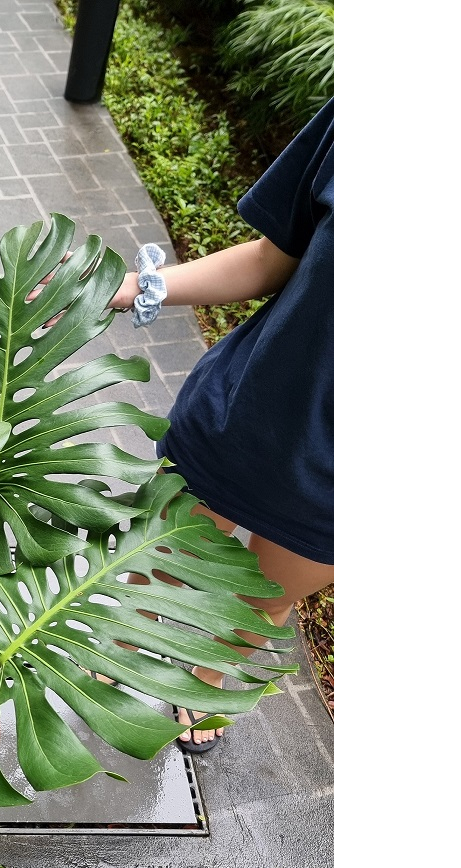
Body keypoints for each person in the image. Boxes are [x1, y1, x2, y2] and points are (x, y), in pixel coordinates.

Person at [107, 97, 334, 751]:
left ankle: (204, 679)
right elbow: (270, 257)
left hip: (338, 486)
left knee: (262, 600)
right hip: (241, 414)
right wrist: (134, 287)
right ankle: (119, 648)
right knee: (160, 558)